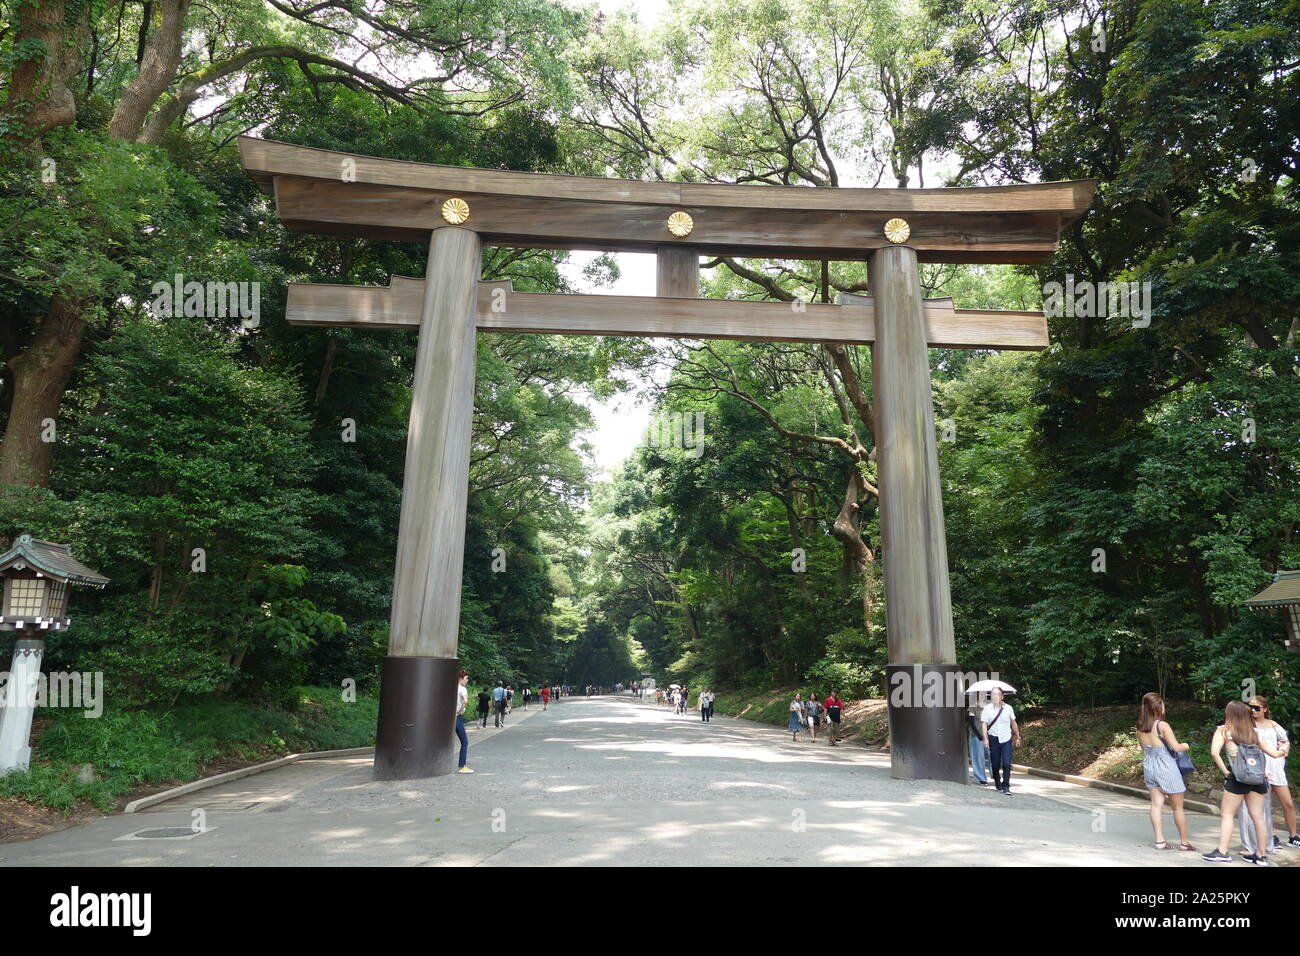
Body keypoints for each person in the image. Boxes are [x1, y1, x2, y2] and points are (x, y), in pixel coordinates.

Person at [1202, 700, 1284, 864]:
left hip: (1238, 778)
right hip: (1257, 779)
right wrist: (1284, 748)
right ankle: (1260, 855)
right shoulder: (1254, 733)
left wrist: (1226, 772)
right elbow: (1274, 754)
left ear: (1229, 714)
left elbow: (1214, 753)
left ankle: (1223, 852)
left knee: (1227, 815)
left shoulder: (1224, 731)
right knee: (1258, 818)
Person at [1239, 696, 1297, 855]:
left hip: (1276, 767)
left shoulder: (1273, 725)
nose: (1253, 710)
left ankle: (1293, 836)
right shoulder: (1248, 725)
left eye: (1257, 708)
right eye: (1250, 707)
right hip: (1259, 770)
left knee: (1288, 803)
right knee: (1263, 806)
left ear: (1265, 709)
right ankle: (1270, 837)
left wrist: (1284, 751)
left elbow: (1285, 741)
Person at [1136, 692, 1194, 851]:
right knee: (1178, 807)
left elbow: (1145, 748)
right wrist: (1186, 745)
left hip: (1150, 766)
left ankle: (1160, 841)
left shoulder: (1141, 727)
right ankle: (1184, 843)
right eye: (1162, 703)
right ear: (1158, 706)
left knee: (1156, 805)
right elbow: (1176, 747)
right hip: (1166, 767)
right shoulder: (1162, 725)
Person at [980, 687, 1021, 794]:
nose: (995, 696)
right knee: (995, 764)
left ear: (1002, 696)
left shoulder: (1008, 708)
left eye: (998, 694)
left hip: (1006, 739)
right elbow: (984, 724)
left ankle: (1006, 786)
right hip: (993, 739)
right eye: (993, 694)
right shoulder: (987, 709)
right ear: (991, 696)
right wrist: (985, 739)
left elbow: (1013, 722)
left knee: (1007, 764)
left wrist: (1018, 736)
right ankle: (997, 781)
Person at [454, 670, 473, 773]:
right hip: (458, 717)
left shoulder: (452, 688)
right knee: (464, 742)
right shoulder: (462, 689)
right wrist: (461, 710)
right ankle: (462, 766)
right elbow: (465, 701)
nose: (467, 680)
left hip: (449, 718)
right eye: (466, 678)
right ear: (461, 679)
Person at [967, 700, 989, 783]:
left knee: (993, 755)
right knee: (978, 757)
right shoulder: (973, 707)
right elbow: (971, 722)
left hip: (988, 735)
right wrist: (978, 735)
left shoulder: (989, 706)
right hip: (976, 736)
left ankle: (995, 775)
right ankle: (981, 778)